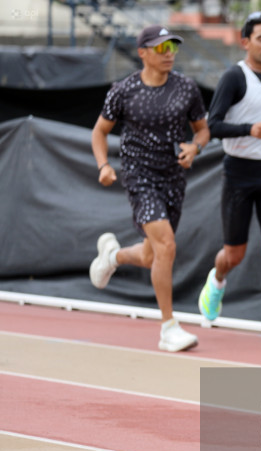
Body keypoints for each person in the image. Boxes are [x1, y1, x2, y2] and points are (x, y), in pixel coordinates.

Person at [90, 24, 209, 352]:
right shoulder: (123, 90)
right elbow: (99, 132)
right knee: (167, 246)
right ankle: (168, 327)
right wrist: (103, 165)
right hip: (139, 177)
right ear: (142, 53)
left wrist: (194, 147)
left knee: (152, 252)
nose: (168, 53)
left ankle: (112, 256)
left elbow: (202, 130)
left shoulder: (186, 88)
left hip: (173, 179)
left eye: (172, 47)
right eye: (161, 48)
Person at [198, 11, 261, 346]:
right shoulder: (234, 78)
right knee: (234, 255)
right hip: (238, 174)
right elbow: (211, 126)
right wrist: (247, 130)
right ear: (245, 42)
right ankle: (216, 282)